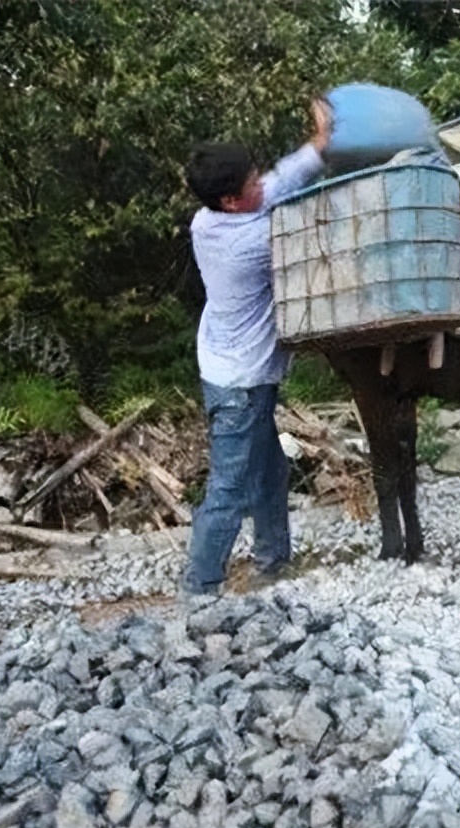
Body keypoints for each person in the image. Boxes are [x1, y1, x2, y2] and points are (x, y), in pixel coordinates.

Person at [179, 99, 332, 595]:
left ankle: (273, 562)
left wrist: (319, 145)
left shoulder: (208, 221)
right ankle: (199, 591)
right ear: (229, 200)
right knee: (228, 489)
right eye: (250, 184)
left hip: (234, 370)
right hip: (240, 383)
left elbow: (278, 184)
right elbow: (308, 225)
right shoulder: (253, 244)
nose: (260, 184)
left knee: (270, 471)